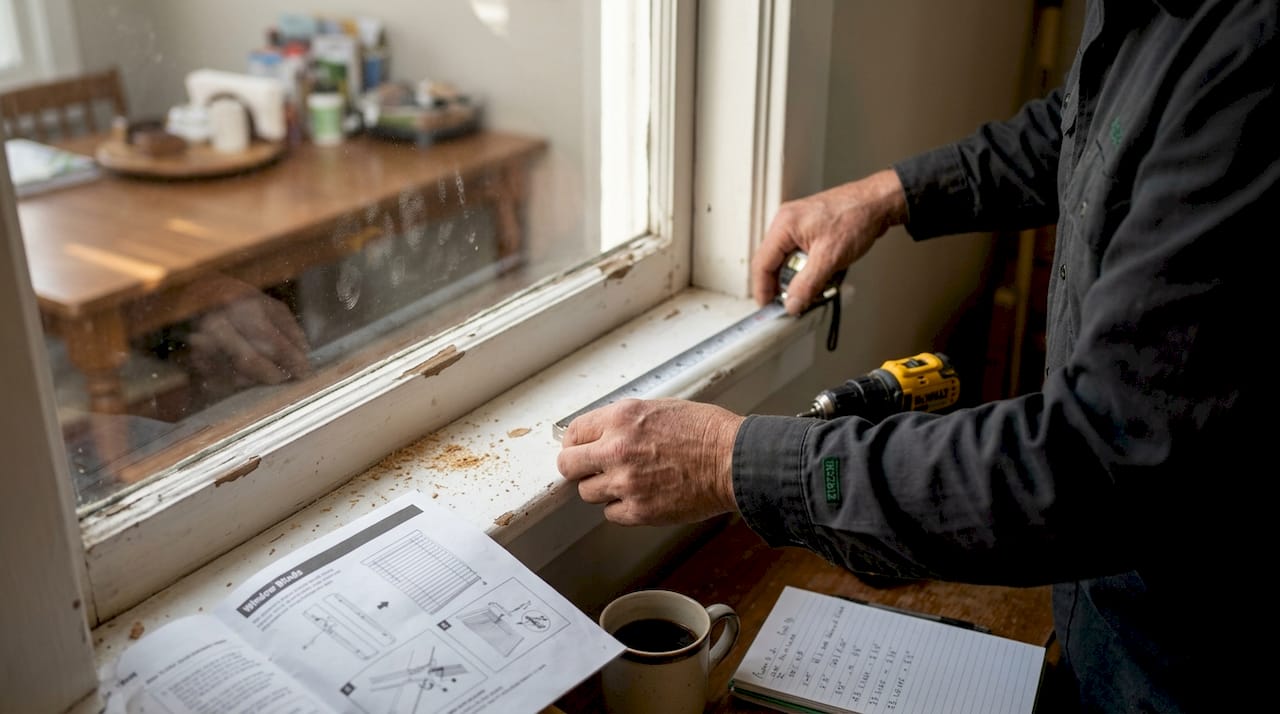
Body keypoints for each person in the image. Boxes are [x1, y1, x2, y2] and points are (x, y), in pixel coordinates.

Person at [557, 2, 1274, 711]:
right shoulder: (1148, 19)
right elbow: (1086, 127)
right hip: (1095, 618)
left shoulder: (1254, 55)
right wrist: (887, 195)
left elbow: (1096, 461)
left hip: (1193, 661)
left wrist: (727, 462)